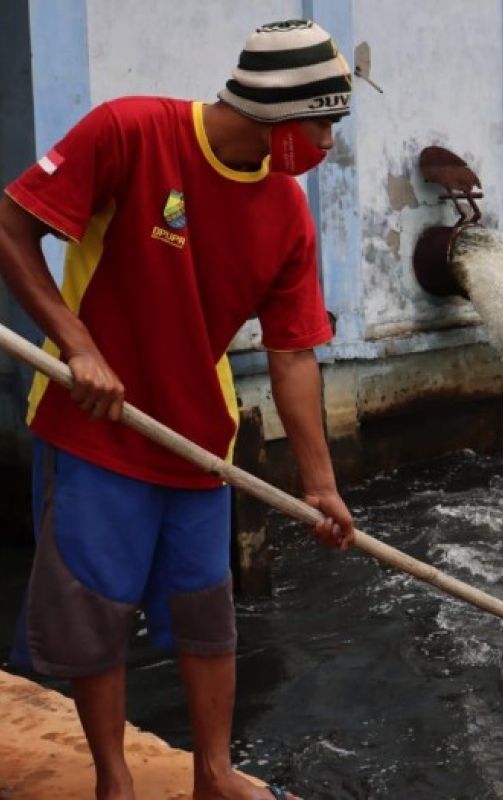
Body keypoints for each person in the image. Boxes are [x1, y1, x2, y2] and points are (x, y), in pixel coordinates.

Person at [0, 19, 357, 800]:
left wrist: (319, 485)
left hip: (199, 440)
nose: (330, 142)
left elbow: (294, 355)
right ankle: (114, 779)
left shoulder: (287, 212)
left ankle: (213, 774)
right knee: (93, 613)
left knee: (205, 614)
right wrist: (75, 346)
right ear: (279, 109)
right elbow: (12, 224)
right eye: (324, 122)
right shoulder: (133, 130)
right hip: (93, 427)